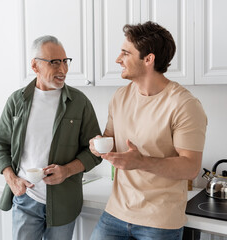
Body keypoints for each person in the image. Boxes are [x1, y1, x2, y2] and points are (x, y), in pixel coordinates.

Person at [89, 21, 207, 240]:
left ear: (148, 59)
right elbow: (111, 139)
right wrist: (99, 144)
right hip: (116, 212)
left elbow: (190, 167)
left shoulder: (184, 104)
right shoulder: (120, 97)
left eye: (125, 53)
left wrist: (141, 161)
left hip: (159, 221)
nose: (118, 59)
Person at [0, 35, 102, 240]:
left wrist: (66, 171)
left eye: (65, 61)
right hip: (26, 200)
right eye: (54, 62)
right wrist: (12, 179)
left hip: (64, 203)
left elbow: (95, 153)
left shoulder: (79, 102)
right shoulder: (17, 101)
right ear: (35, 66)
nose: (63, 70)